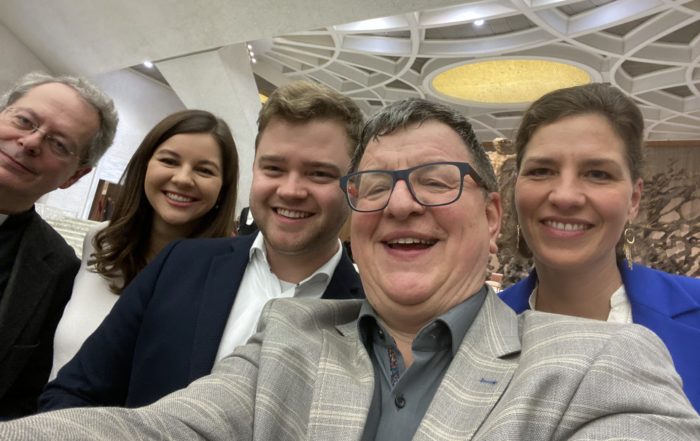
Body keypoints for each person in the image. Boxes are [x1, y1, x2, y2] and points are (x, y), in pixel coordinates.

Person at [2, 97, 698, 440]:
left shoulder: (602, 362)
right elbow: (146, 430)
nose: (400, 204)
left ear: (492, 216)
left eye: (436, 181)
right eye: (375, 185)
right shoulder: (289, 338)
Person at [38, 80, 365, 410]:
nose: (291, 190)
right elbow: (74, 392)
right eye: (274, 168)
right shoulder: (178, 264)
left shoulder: (374, 316)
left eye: (319, 174)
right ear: (255, 169)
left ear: (355, 185)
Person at [498, 83, 700, 412]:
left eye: (597, 174)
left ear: (634, 199)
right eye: (541, 171)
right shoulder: (472, 332)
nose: (565, 196)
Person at [48, 109, 239, 380]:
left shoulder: (231, 278)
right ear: (144, 166)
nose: (183, 179)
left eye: (204, 170)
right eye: (169, 161)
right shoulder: (100, 241)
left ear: (223, 187)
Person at [0, 72, 117, 418]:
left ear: (75, 176)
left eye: (59, 144)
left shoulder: (59, 271)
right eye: (24, 121)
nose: (31, 142)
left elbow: (24, 397)